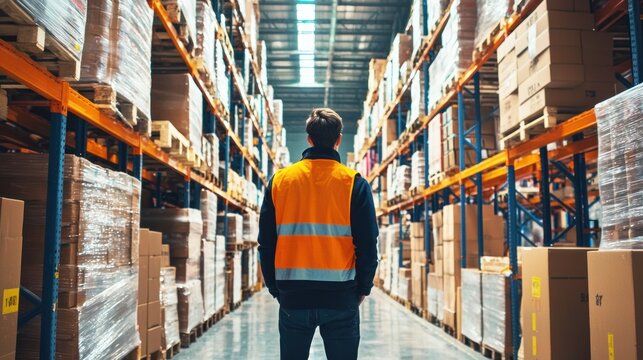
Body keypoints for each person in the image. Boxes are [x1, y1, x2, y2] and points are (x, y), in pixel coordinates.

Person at [258, 108, 379, 360]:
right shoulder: (354, 183)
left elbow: (266, 244)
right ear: (339, 139)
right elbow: (368, 245)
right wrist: (363, 288)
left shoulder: (280, 181)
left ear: (308, 138)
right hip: (342, 298)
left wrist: (275, 288)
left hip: (293, 297)